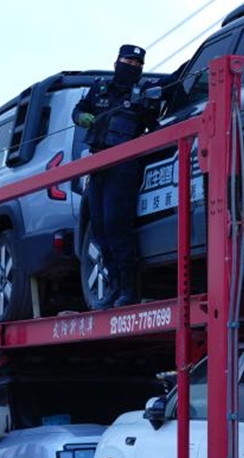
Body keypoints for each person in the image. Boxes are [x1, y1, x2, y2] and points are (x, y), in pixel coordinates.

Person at [73, 44, 159, 308]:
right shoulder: (99, 89)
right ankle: (114, 285)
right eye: (127, 62)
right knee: (98, 227)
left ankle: (128, 290)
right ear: (116, 63)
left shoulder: (142, 93)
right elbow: (78, 110)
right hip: (98, 164)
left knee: (115, 226)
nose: (131, 67)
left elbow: (153, 123)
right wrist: (82, 117)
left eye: (137, 65)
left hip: (123, 167)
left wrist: (148, 105)